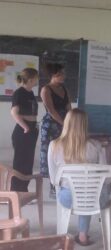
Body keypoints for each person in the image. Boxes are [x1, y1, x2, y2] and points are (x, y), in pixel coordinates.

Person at [48, 108, 111, 246]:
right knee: (89, 190)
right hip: (94, 199)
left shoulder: (54, 145)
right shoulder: (96, 145)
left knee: (80, 190)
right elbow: (106, 178)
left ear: (66, 123)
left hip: (68, 198)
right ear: (85, 125)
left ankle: (67, 237)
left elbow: (53, 179)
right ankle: (83, 235)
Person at [40, 63, 71, 196]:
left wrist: (71, 121)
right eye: (61, 74)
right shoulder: (46, 89)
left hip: (65, 122)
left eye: (63, 74)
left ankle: (64, 183)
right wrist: (64, 123)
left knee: (64, 153)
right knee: (52, 154)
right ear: (53, 75)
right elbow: (51, 110)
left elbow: (69, 105)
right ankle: (53, 185)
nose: (63, 76)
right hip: (52, 125)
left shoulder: (64, 88)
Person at [10, 68, 39, 192]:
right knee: (20, 162)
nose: (38, 80)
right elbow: (14, 113)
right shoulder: (19, 93)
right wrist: (25, 126)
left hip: (32, 130)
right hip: (23, 131)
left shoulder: (31, 92)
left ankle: (24, 190)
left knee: (28, 162)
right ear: (31, 79)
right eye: (36, 78)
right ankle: (15, 190)